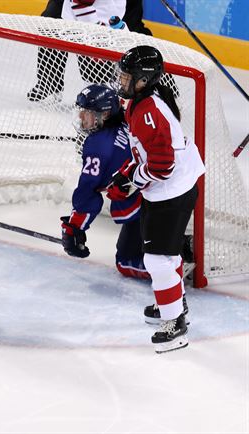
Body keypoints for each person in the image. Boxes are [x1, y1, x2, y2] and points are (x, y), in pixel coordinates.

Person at [107, 45, 205, 354]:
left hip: (171, 192)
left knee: (157, 259)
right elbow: (148, 154)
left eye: (127, 77)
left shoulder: (148, 110)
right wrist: (127, 174)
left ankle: (174, 325)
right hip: (170, 188)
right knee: (166, 255)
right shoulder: (141, 102)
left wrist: (132, 181)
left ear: (144, 80)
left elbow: (163, 166)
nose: (121, 82)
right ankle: (175, 303)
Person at [61, 84, 149, 279]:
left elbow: (89, 189)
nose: (80, 117)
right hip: (170, 187)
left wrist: (74, 227)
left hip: (150, 202)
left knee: (126, 261)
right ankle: (178, 244)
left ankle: (172, 265)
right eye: (81, 111)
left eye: (87, 113)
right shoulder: (127, 118)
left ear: (105, 115)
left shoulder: (97, 146)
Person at [28, 0, 128, 102]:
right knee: (51, 27)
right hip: (82, 14)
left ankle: (98, 90)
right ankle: (49, 83)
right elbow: (79, 4)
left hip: (99, 13)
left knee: (97, 74)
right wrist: (96, 28)